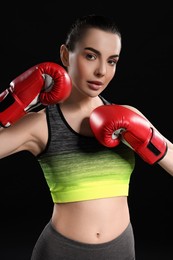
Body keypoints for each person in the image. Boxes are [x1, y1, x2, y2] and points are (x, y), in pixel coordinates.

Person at [0, 14, 173, 260]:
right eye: (90, 56)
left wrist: (150, 140)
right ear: (64, 55)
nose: (101, 71)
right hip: (60, 252)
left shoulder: (129, 117)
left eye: (112, 61)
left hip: (121, 249)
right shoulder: (41, 123)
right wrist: (11, 103)